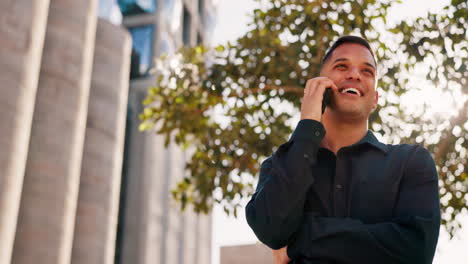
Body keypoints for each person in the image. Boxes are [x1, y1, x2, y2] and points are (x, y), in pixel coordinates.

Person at [245, 35, 441, 264]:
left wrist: (302, 239)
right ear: (318, 85)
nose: (355, 75)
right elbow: (271, 229)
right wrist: (308, 123)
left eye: (367, 71)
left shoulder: (411, 162)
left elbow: (416, 250)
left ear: (375, 98)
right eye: (342, 66)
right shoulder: (280, 165)